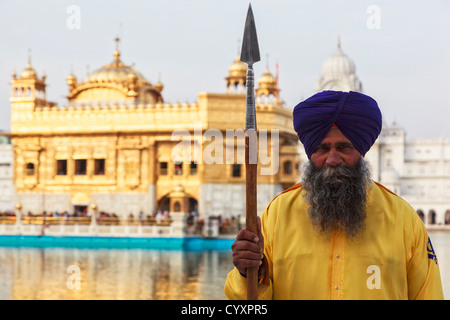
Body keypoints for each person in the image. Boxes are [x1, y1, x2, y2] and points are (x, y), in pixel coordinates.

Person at [224, 90, 444, 300]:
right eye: (322, 148)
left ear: (361, 150)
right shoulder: (279, 214)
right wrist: (247, 272)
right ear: (310, 153)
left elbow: (428, 293)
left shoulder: (402, 219)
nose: (332, 159)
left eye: (343, 147)